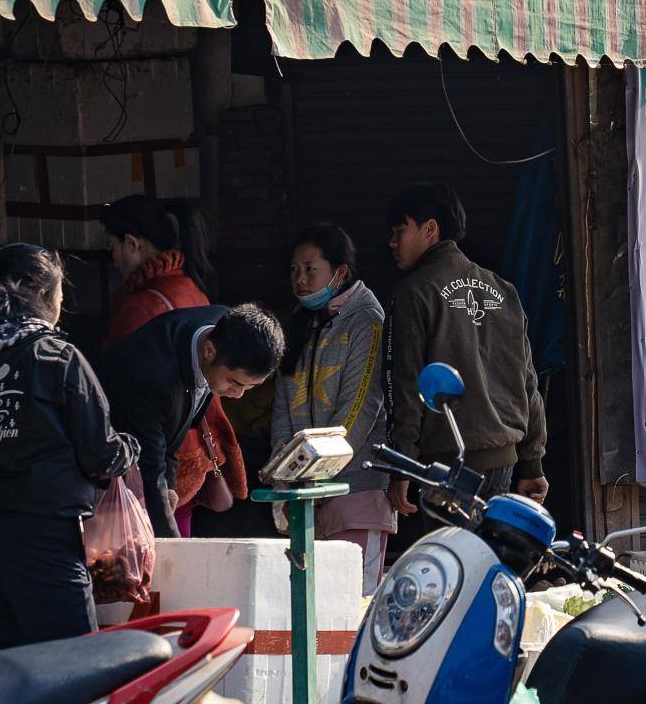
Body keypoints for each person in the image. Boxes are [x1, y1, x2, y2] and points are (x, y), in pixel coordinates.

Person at [0, 245, 139, 653]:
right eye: (61, 294)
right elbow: (101, 454)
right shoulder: (54, 357)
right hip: (44, 538)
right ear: (43, 296)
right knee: (72, 671)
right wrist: (130, 449)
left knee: (5, 673)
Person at [384, 183, 547, 521]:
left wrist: (401, 467)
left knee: (450, 564)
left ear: (430, 229)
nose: (392, 242)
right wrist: (532, 461)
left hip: (448, 463)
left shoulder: (415, 292)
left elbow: (407, 387)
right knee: (482, 559)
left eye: (400, 230)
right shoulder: (503, 290)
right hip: (503, 461)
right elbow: (527, 381)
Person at [100, 194, 247, 534]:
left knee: (152, 558)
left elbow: (134, 403)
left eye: (113, 247)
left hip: (160, 455)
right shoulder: (192, 289)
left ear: (132, 243)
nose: (114, 259)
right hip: (190, 452)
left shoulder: (141, 307)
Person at [270, 225, 397, 594]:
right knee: (315, 614)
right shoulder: (299, 324)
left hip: (356, 490)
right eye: (294, 270)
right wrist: (288, 478)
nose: (301, 280)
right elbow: (281, 410)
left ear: (340, 272)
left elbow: (360, 406)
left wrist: (321, 474)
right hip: (305, 497)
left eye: (311, 269)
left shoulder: (367, 319)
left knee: (353, 611)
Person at [98, 303, 284, 538]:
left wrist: (170, 485)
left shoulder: (230, 328)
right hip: (104, 460)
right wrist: (173, 543)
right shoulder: (152, 377)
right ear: (209, 351)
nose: (238, 395)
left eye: (251, 387)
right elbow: (150, 465)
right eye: (234, 382)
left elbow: (171, 438)